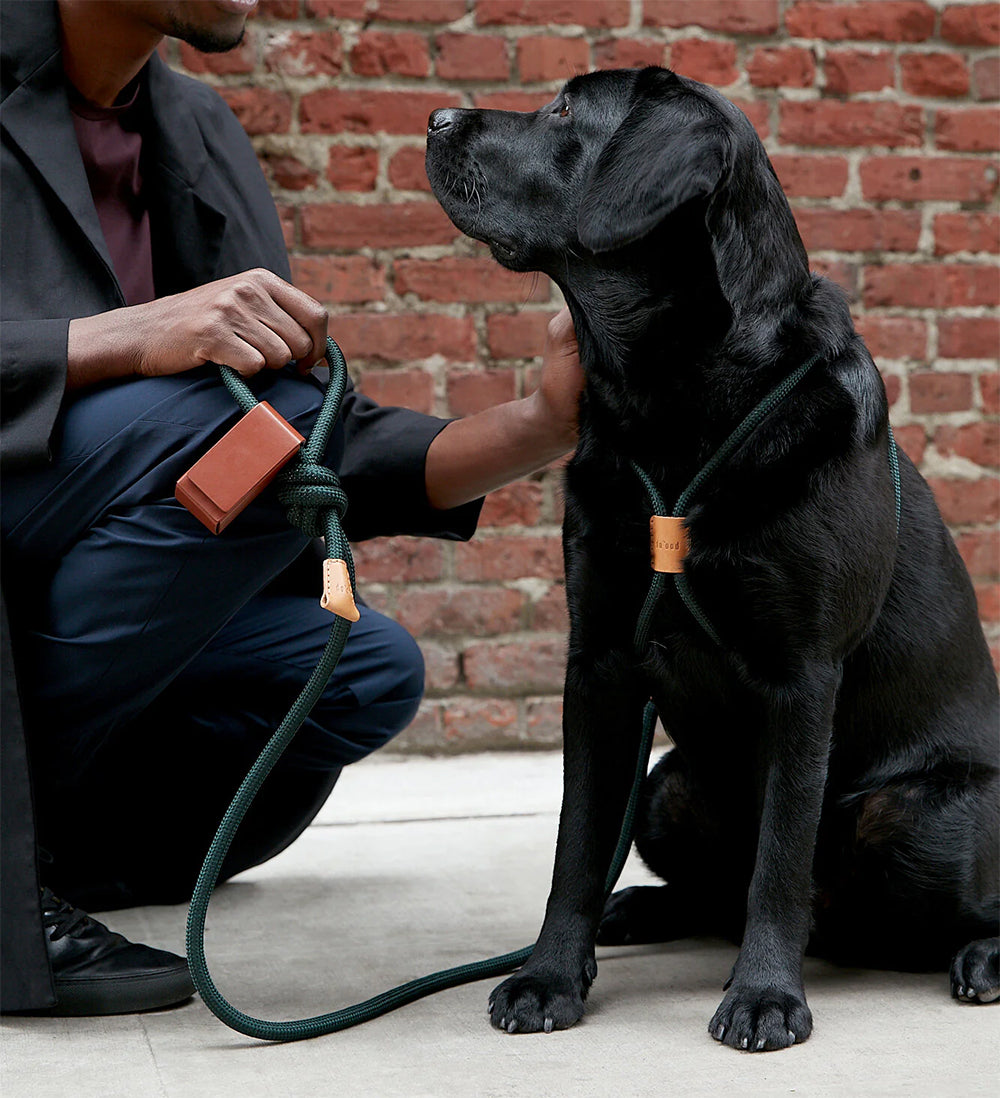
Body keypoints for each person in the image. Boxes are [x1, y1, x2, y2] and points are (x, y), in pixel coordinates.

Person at [0, 0, 583, 1016]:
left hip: (82, 529)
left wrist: (539, 422)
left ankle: (55, 856)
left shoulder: (195, 127)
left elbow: (295, 427)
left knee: (361, 668)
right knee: (235, 424)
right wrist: (127, 337)